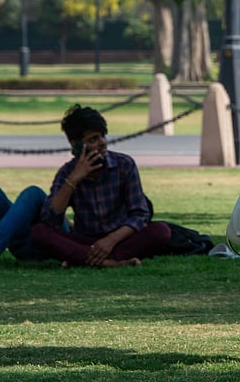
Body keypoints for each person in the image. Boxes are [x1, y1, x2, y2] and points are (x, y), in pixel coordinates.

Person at [29, 104, 172, 267]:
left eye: (103, 136)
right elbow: (51, 219)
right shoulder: (67, 172)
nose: (102, 143)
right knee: (38, 233)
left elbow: (140, 215)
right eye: (93, 139)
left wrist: (110, 240)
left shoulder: (124, 165)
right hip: (85, 239)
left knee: (161, 231)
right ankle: (110, 262)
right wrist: (74, 179)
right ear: (75, 144)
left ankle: (84, 259)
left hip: (120, 237)